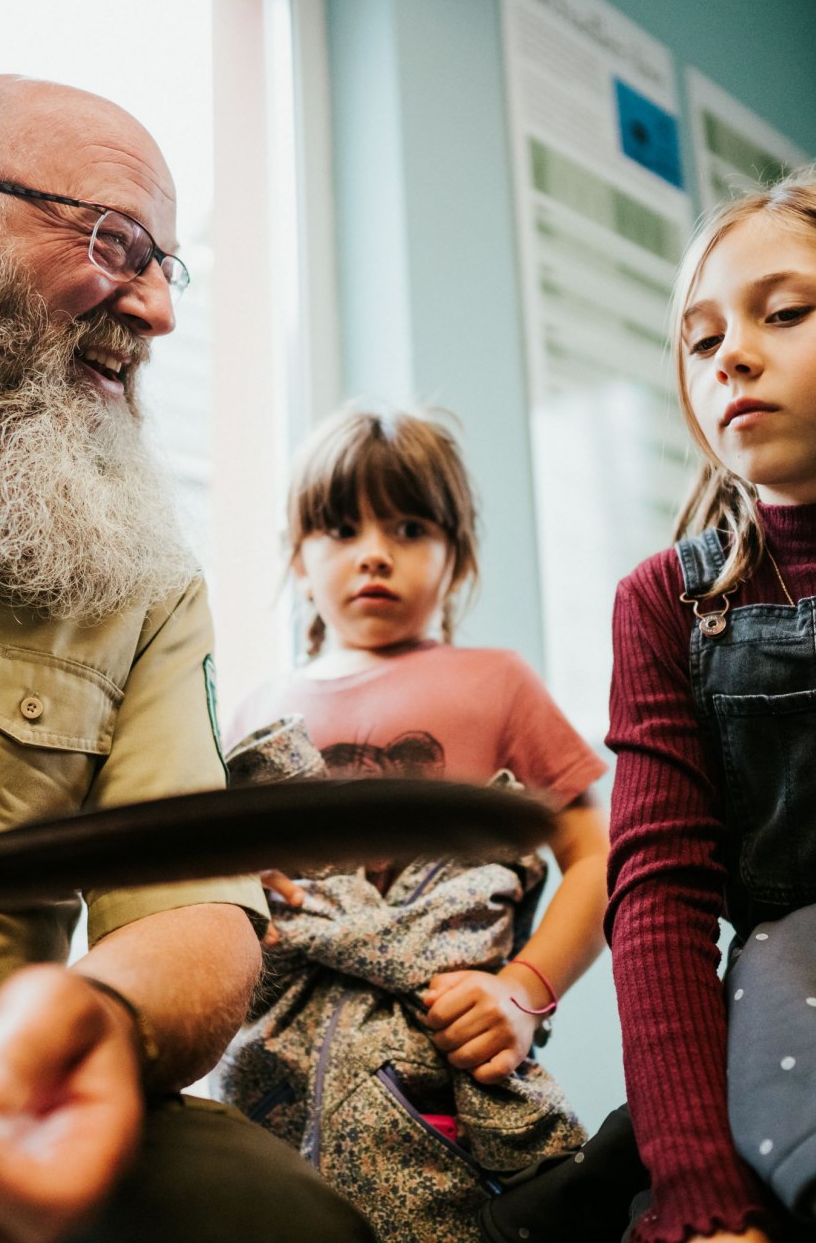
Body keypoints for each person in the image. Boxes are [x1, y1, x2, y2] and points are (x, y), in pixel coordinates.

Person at [0, 74, 373, 1243]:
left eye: (169, 264)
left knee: (281, 1221)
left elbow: (193, 919)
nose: (159, 311)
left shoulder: (144, 585)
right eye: (117, 243)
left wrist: (76, 1033)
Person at [214, 407, 609, 1240]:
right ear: (296, 552)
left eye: (409, 525)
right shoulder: (258, 710)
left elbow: (599, 858)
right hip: (281, 1068)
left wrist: (523, 991)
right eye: (339, 526)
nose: (373, 552)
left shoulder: (497, 683)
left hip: (442, 1057)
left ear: (456, 554)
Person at [605, 162, 816, 1243]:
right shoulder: (664, 601)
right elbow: (661, 905)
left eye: (786, 312)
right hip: (787, 1070)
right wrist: (701, 1198)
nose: (735, 357)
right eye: (703, 338)